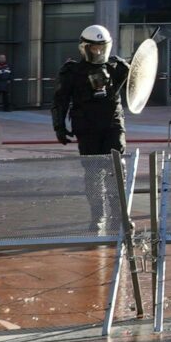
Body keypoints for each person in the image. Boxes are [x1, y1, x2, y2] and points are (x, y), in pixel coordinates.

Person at [51, 24, 134, 230]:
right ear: (85, 48)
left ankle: (120, 216)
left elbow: (138, 81)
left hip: (112, 124)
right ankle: (98, 217)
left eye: (101, 47)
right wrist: (59, 126)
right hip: (87, 127)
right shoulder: (72, 71)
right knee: (93, 174)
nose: (98, 52)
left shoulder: (117, 67)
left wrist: (136, 65)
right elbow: (60, 101)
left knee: (117, 169)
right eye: (94, 48)